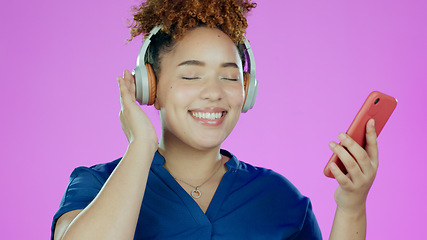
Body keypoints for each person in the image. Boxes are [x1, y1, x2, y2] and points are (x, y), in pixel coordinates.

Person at [51, 0, 379, 239]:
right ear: (149, 87)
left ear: (247, 91)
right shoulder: (95, 185)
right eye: (191, 76)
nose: (214, 93)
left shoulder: (279, 197)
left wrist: (351, 206)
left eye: (229, 77)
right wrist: (141, 145)